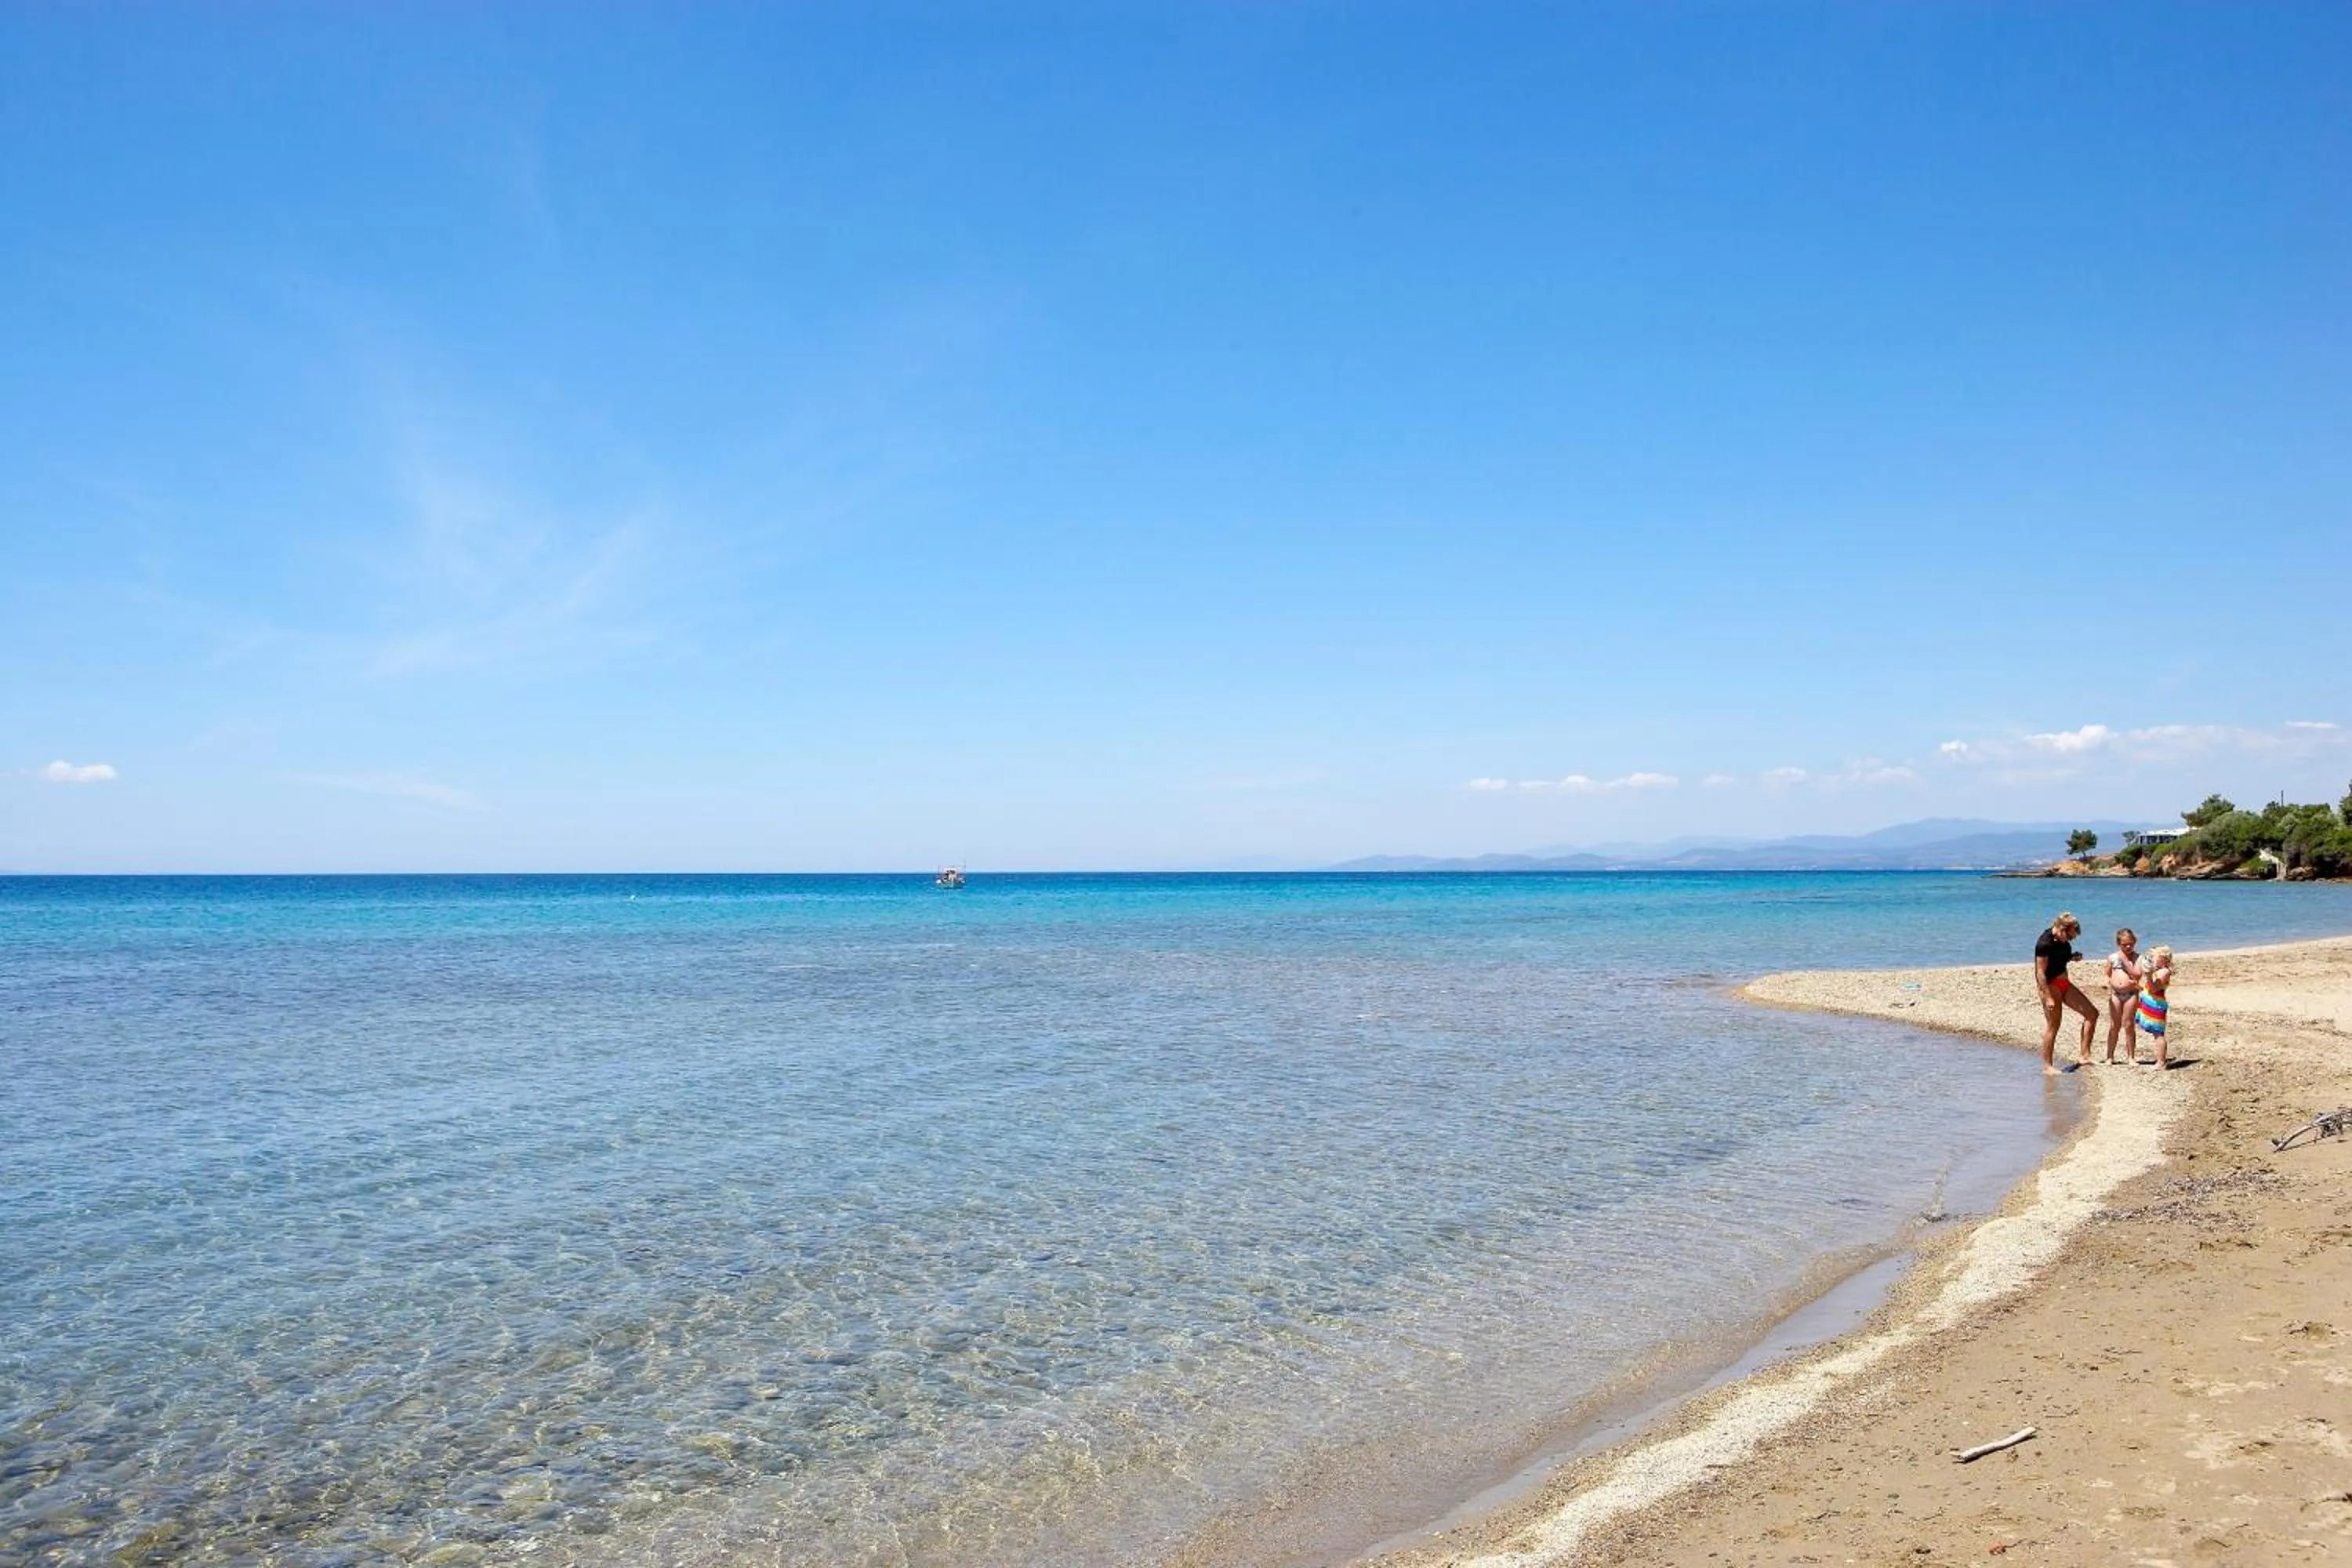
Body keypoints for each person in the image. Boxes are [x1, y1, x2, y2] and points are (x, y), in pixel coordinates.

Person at [2034, 911, 2098, 1075]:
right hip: (2050, 986)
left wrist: (2072, 957)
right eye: (2070, 936)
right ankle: (2047, 1066)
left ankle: (2084, 1055)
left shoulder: (2062, 942)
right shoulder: (2044, 943)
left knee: (2092, 1014)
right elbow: (2040, 972)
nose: (2071, 940)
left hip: (2065, 983)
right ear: (2062, 929)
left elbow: (2060, 958)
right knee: (2054, 1025)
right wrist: (2047, 996)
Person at [2103, 927, 2144, 1065]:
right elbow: (2107, 973)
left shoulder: (2138, 958)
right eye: (2124, 944)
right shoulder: (2112, 957)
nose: (2128, 947)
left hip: (2131, 994)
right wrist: (2110, 983)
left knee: (2128, 1024)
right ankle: (2110, 1056)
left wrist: (2126, 962)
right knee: (2114, 1025)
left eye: (2131, 944)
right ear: (2118, 944)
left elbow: (2137, 975)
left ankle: (2131, 1057)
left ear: (2134, 943)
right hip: (2116, 994)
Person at [2137, 945, 2173, 1069]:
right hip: (2151, 1002)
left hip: (2157, 1004)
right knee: (2156, 1033)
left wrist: (2148, 975)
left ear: (2163, 959)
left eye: (2155, 957)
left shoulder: (2165, 972)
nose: (2153, 959)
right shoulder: (2157, 970)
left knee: (2159, 1033)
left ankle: (2161, 1062)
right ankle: (2160, 1060)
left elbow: (2153, 988)